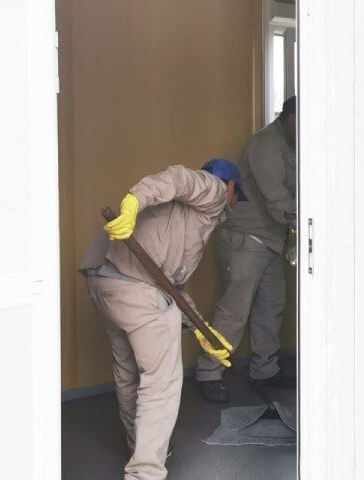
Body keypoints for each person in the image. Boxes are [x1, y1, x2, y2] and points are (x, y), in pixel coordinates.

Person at [79, 160, 244, 480]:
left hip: (107, 282)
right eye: (238, 196)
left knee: (128, 374)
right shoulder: (212, 191)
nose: (235, 204)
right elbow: (179, 177)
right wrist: (132, 203)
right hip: (136, 290)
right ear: (232, 188)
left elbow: (169, 283)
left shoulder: (181, 214)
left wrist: (200, 326)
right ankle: (145, 471)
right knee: (162, 383)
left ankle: (138, 446)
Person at [196, 96, 297, 403]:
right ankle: (207, 372)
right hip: (247, 238)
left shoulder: (291, 144)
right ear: (290, 117)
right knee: (234, 310)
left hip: (270, 239)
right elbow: (278, 202)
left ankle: (264, 368)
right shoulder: (267, 144)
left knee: (271, 305)